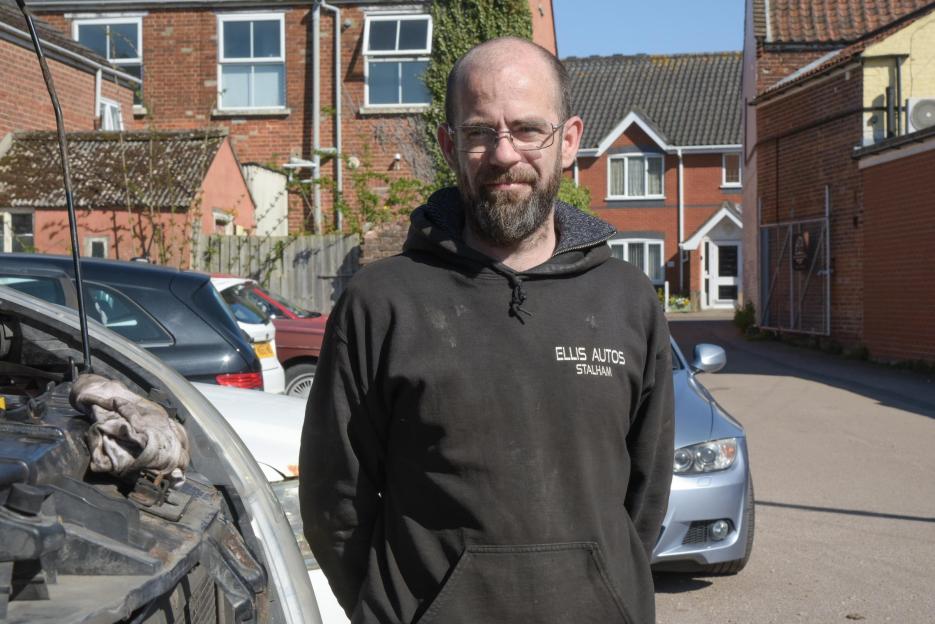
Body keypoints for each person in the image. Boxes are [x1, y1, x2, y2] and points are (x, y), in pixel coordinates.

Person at [300, 36, 674, 624]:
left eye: (528, 130)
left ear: (568, 141)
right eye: (479, 132)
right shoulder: (381, 303)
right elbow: (334, 503)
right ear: (450, 146)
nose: (504, 155)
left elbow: (646, 496)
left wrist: (602, 592)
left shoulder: (628, 300)